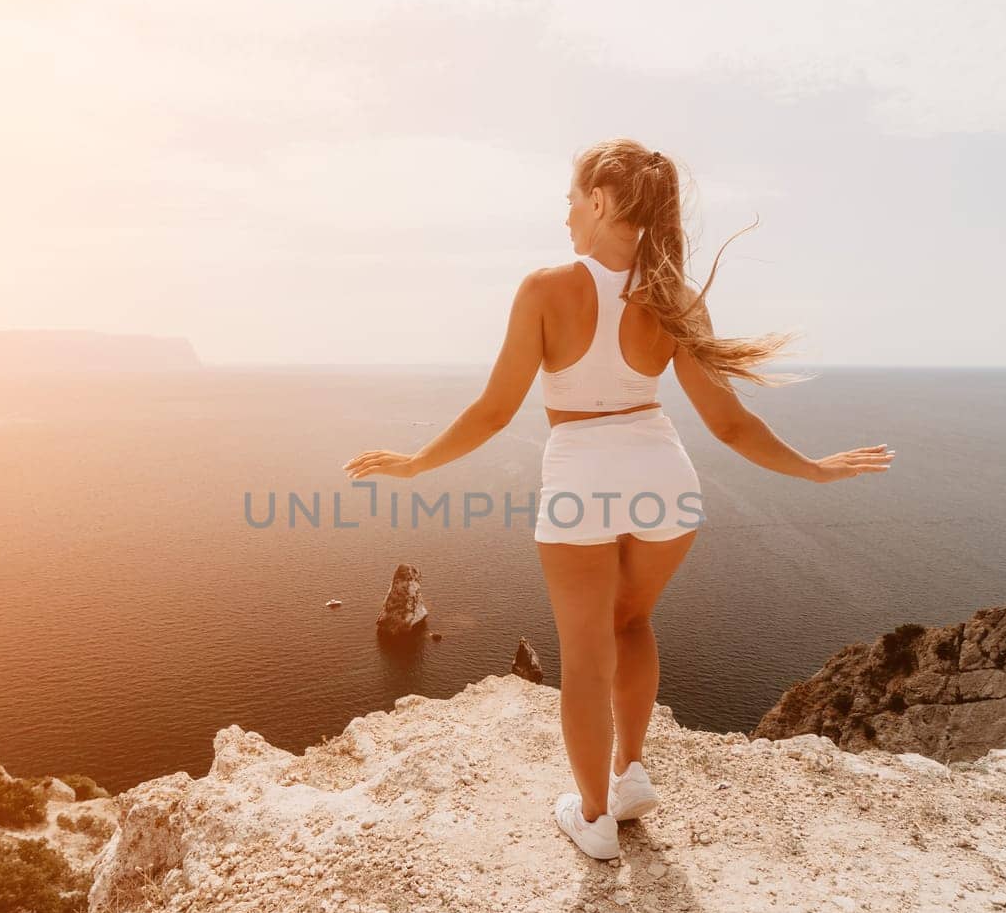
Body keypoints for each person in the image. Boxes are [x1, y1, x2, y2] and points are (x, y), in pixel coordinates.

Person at [342, 138, 894, 860]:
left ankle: (595, 817)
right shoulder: (674, 296)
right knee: (631, 622)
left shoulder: (544, 288)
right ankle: (629, 776)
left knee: (585, 654)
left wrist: (417, 463)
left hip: (581, 479)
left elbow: (493, 411)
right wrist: (815, 471)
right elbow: (729, 423)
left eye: (573, 198)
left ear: (600, 200)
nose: (566, 212)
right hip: (665, 478)